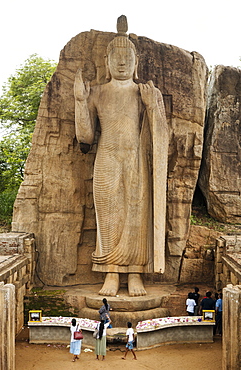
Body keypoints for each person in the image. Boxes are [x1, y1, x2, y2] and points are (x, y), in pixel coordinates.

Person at [74, 15, 168, 297]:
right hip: (108, 158)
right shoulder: (98, 92)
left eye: (128, 57)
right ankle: (112, 273)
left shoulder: (146, 92)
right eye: (117, 57)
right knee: (108, 217)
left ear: (136, 61)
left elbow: (162, 135)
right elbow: (85, 137)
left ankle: (136, 273)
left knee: (137, 216)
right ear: (107, 60)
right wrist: (80, 101)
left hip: (136, 161)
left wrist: (153, 107)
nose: (123, 62)